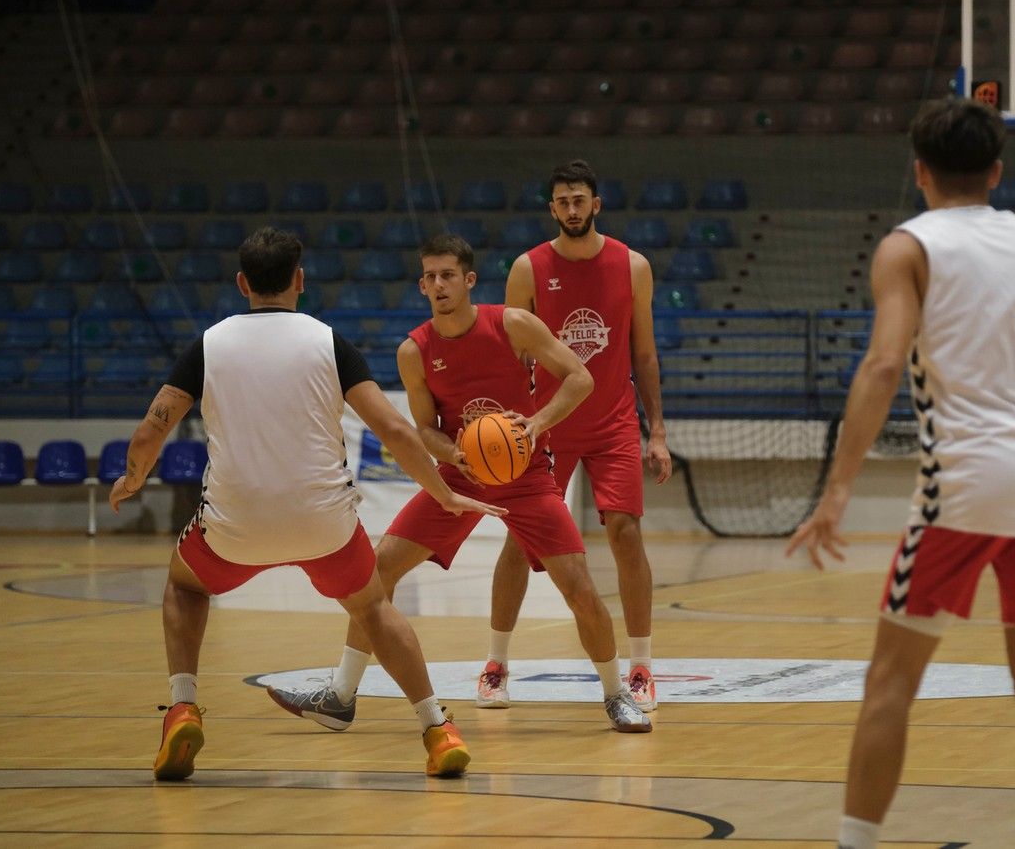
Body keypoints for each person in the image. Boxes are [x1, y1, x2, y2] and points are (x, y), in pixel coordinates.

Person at [786, 97, 1015, 849]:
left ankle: (855, 843)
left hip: (961, 486)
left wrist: (837, 488)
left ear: (920, 171)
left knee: (890, 682)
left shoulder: (909, 246)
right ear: (997, 172)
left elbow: (881, 364)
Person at [111, 227, 506, 781]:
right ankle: (437, 727)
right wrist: (444, 493)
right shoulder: (329, 342)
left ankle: (182, 705)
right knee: (371, 607)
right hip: (324, 525)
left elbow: (153, 429)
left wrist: (131, 479)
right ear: (300, 280)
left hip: (234, 524)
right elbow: (394, 427)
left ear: (243, 283)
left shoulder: (209, 344)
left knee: (183, 586)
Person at [267, 234, 651, 733]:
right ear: (421, 284)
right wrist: (455, 453)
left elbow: (580, 377)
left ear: (468, 280)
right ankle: (341, 696)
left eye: (448, 274)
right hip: (460, 478)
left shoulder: (512, 324)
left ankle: (617, 694)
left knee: (578, 585)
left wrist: (536, 425)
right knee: (376, 571)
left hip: (527, 477)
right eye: (429, 276)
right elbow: (425, 428)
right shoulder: (415, 350)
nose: (438, 284)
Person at [479, 159, 672, 712]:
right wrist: (509, 424)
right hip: (547, 422)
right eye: (562, 201)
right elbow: (509, 354)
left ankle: (640, 667)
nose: (571, 209)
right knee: (520, 541)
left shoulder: (633, 265)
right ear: (552, 208)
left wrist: (655, 429)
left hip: (612, 421)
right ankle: (496, 664)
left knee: (626, 536)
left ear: (596, 204)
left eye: (579, 199)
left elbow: (644, 352)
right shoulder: (528, 268)